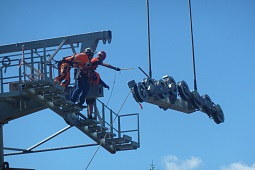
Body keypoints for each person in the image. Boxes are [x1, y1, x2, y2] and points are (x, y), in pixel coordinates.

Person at [86, 50, 120, 119]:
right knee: (91, 100)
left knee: (91, 100)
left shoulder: (94, 71)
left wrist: (105, 85)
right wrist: (114, 68)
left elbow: (99, 80)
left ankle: (90, 115)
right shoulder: (96, 61)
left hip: (88, 82)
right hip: (88, 83)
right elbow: (105, 65)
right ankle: (89, 115)